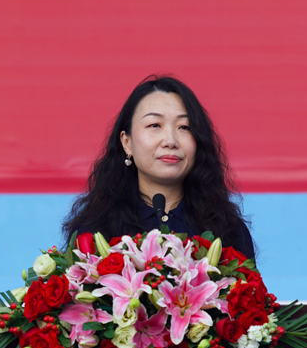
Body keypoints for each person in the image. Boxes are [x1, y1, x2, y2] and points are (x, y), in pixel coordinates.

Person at [62, 75, 255, 259]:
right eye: (155, 125)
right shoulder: (95, 229)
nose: (170, 141)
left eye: (184, 127)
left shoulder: (227, 229)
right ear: (127, 142)